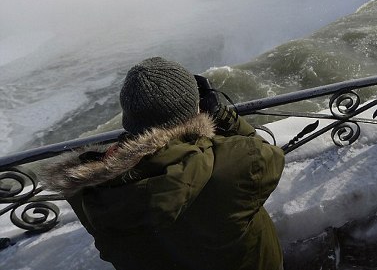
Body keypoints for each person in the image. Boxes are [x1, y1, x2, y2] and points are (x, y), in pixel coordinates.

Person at [42, 57, 285, 270]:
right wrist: (223, 117)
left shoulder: (89, 190)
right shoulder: (236, 161)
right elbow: (269, 155)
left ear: (130, 120)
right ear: (195, 109)